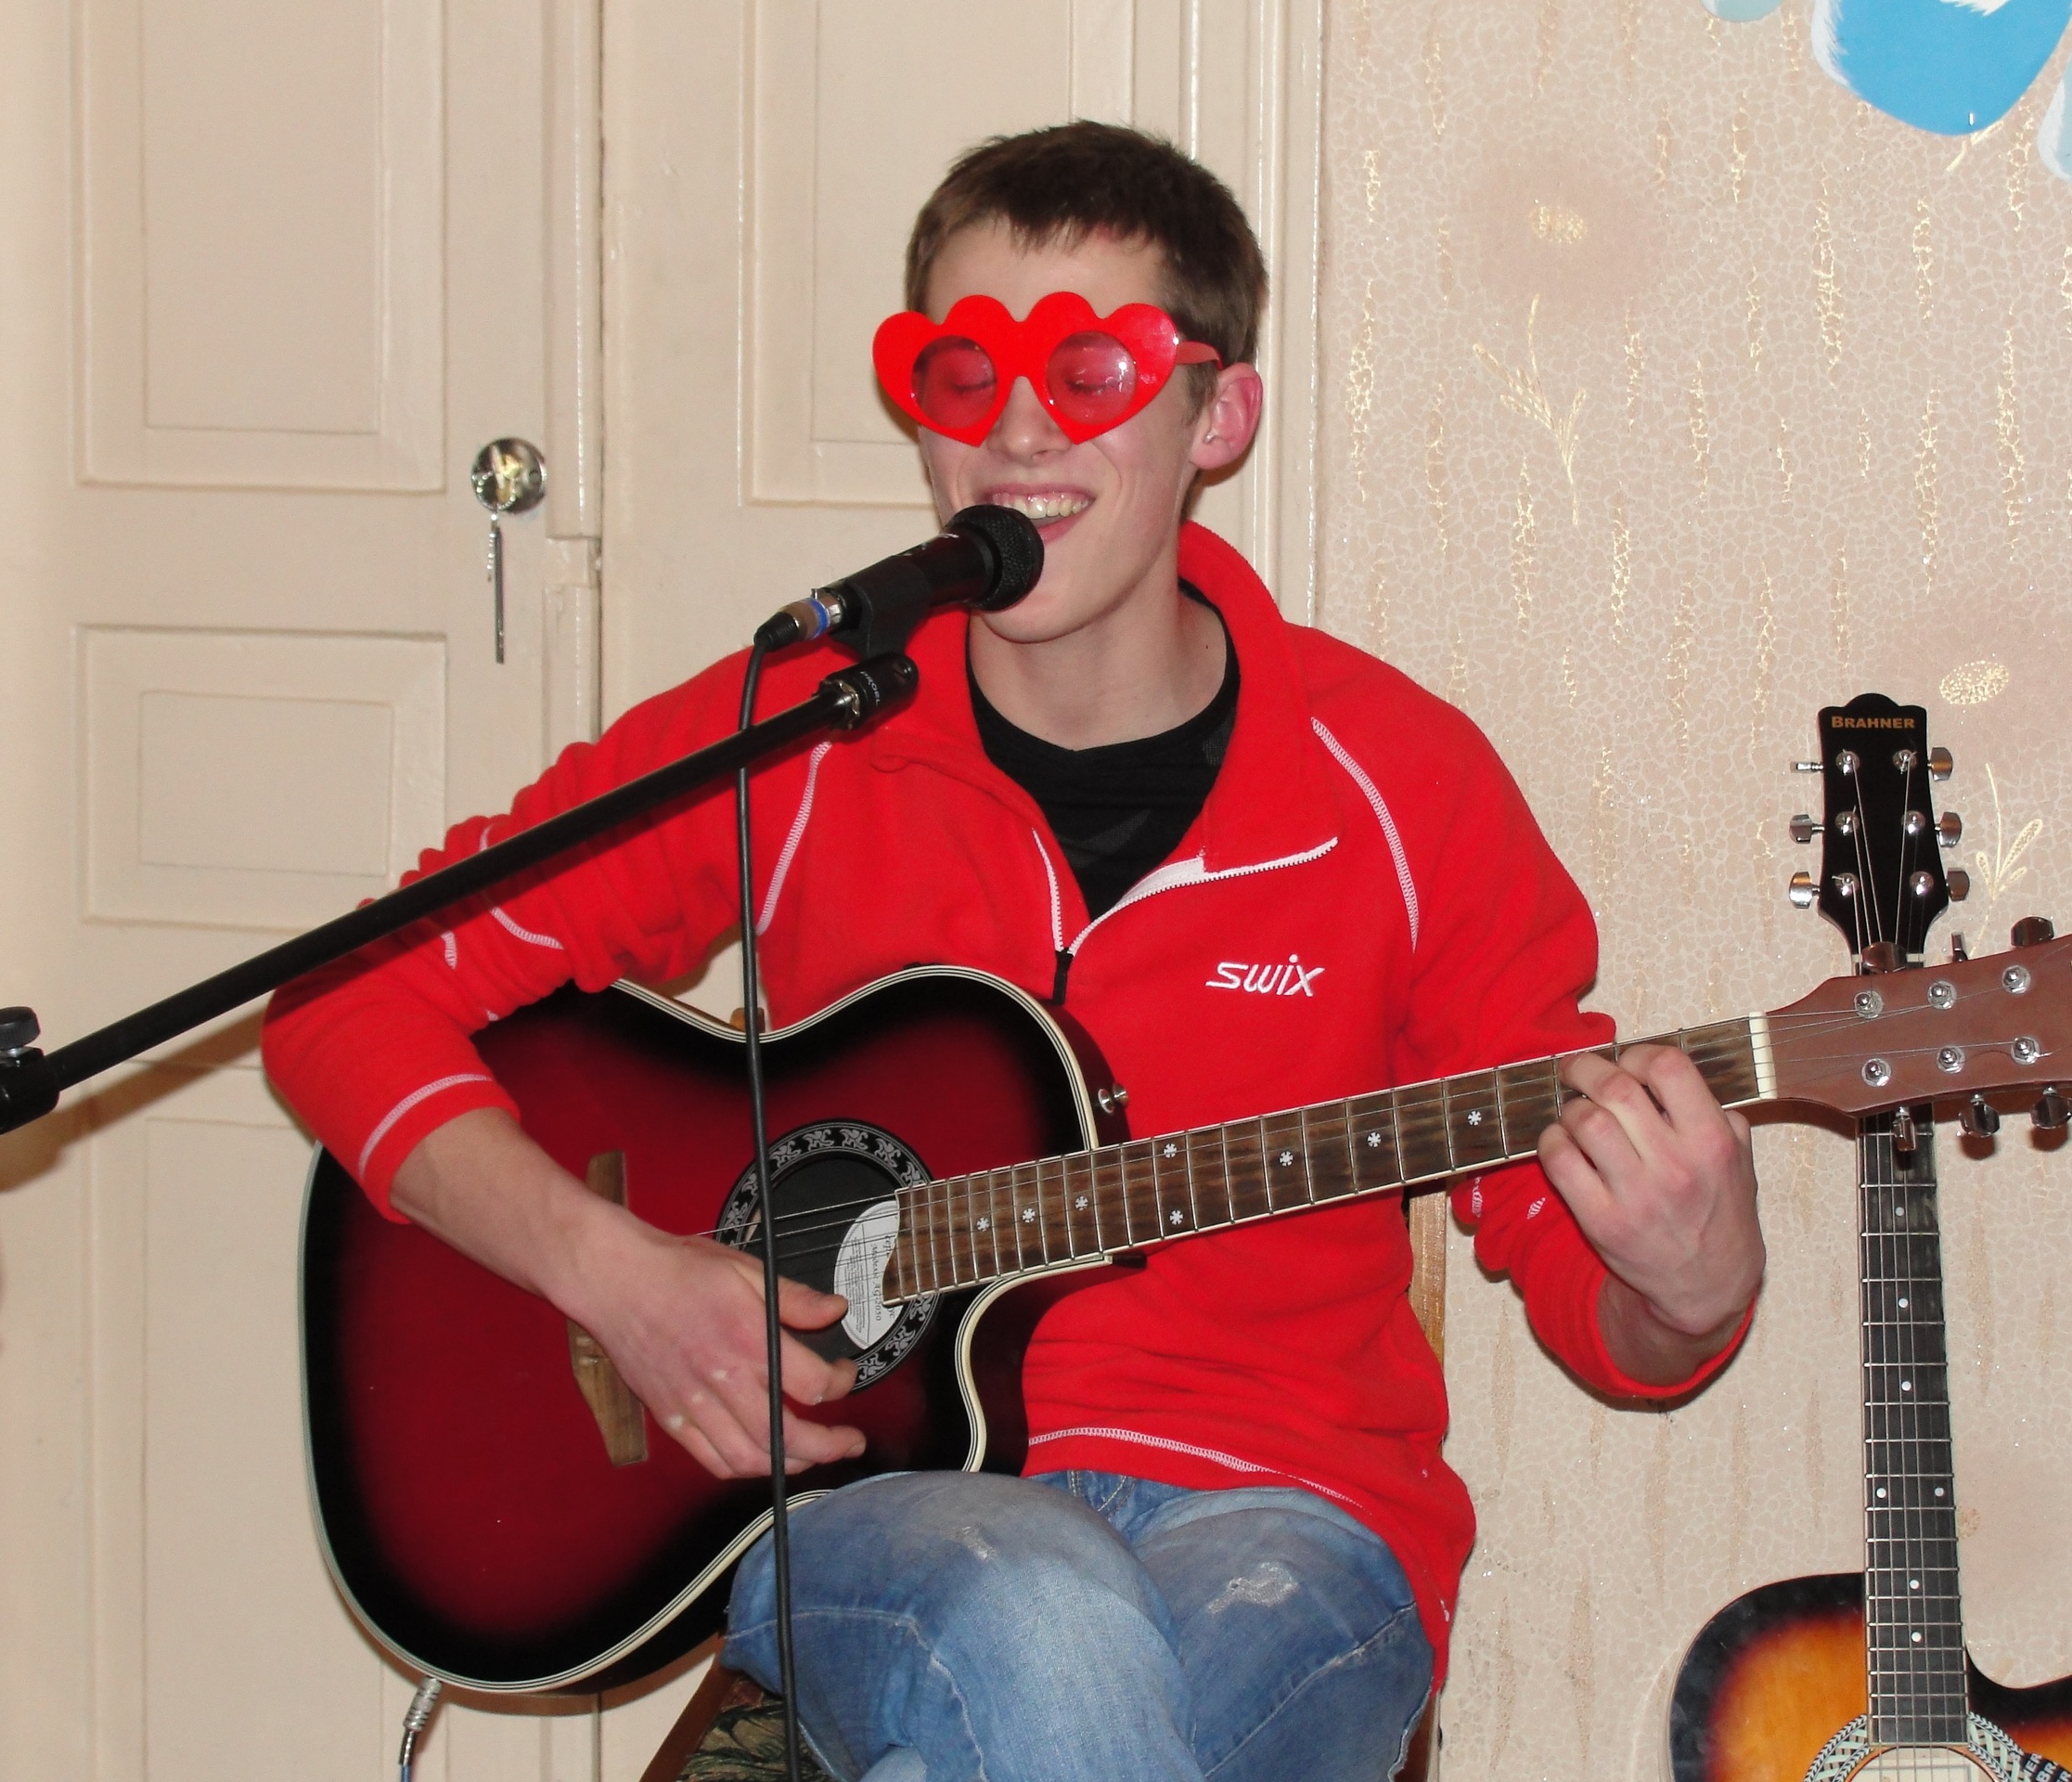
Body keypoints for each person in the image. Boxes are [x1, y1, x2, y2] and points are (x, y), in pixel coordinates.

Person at [263, 122, 1764, 1782]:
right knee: (1042, 1615)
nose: (1020, 431)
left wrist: (1689, 1285)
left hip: (1294, 1522)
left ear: (1218, 415)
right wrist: (617, 1280)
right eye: (963, 374)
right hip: (874, 1505)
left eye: (1090, 371)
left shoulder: (1401, 786)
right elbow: (343, 998)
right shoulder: (810, 736)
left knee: (1049, 1699)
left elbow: (1591, 1283)